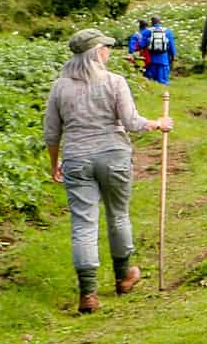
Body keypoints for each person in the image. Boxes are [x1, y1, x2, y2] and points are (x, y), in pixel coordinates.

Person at [43, 28, 172, 314]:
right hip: (113, 155)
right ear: (96, 52)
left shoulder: (60, 87)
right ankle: (123, 276)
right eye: (106, 47)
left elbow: (51, 134)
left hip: (76, 158)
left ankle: (88, 293)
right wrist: (158, 123)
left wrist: (55, 164)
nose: (109, 52)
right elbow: (131, 122)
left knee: (83, 224)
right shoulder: (114, 82)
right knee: (118, 214)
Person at [138, 15, 174, 86]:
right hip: (164, 59)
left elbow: (141, 45)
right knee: (163, 81)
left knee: (151, 80)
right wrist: (173, 56)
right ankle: (164, 90)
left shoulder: (147, 31)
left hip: (151, 59)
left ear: (151, 22)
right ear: (160, 22)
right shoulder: (167, 31)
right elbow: (172, 46)